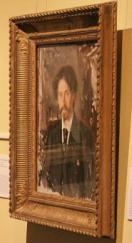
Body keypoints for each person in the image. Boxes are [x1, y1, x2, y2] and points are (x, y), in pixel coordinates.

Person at [40, 65, 94, 199]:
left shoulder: (85, 134)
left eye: (67, 94)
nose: (63, 101)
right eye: (60, 95)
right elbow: (46, 176)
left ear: (74, 95)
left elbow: (89, 182)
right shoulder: (52, 133)